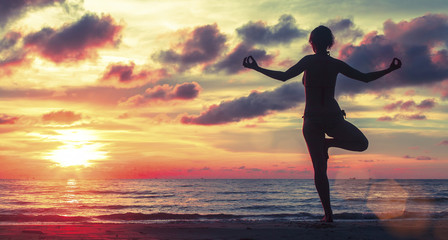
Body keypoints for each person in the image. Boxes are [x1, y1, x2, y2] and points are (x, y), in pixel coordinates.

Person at [242, 25, 401, 222]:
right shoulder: (336, 64)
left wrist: (257, 68)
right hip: (332, 116)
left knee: (320, 170)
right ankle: (330, 147)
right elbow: (365, 78)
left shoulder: (309, 61)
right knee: (362, 144)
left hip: (312, 119)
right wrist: (390, 69)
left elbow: (283, 76)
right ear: (330, 43)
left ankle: (328, 214)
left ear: (312, 42)